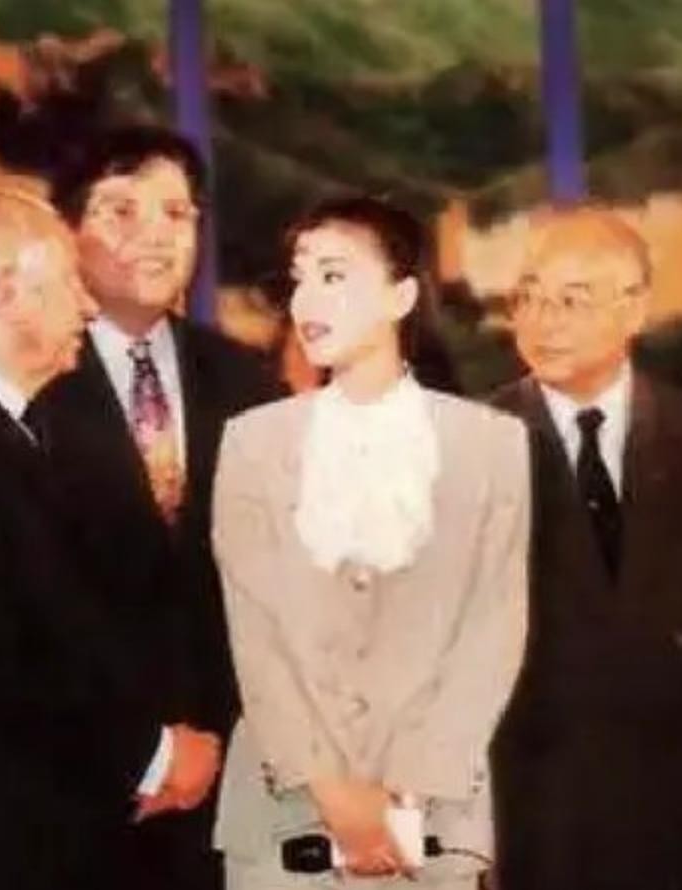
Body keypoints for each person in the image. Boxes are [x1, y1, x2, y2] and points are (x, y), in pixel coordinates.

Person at [0, 187, 220, 890]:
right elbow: (5, 662)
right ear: (0, 292)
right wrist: (153, 754)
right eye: (69, 281)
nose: (88, 306)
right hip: (0, 851)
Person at [211, 197, 529, 889]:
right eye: (299, 278)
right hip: (285, 818)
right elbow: (255, 636)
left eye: (334, 275)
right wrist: (332, 792)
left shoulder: (490, 444)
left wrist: (409, 788)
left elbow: (492, 629)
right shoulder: (251, 443)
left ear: (401, 296)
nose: (306, 299)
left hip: (433, 819)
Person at [29, 124, 282, 890]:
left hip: (228, 784)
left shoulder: (244, 381)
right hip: (74, 786)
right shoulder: (29, 382)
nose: (155, 235)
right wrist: (140, 748)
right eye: (121, 210)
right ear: (67, 231)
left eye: (177, 214)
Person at [489, 205, 682, 890]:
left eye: (571, 300)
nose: (543, 321)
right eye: (528, 298)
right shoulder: (475, 443)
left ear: (634, 307)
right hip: (530, 819)